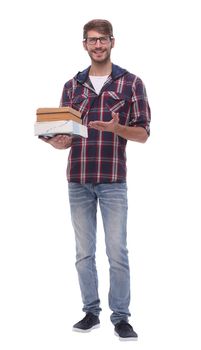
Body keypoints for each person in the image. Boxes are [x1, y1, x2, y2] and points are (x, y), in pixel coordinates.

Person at [40, 19, 151, 341]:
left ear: (112, 42)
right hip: (78, 179)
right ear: (84, 45)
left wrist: (118, 129)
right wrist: (56, 142)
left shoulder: (131, 83)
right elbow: (64, 134)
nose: (98, 45)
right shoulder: (72, 86)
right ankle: (91, 312)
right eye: (92, 40)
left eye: (103, 39)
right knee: (83, 252)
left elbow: (143, 134)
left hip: (113, 179)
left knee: (117, 251)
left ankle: (121, 317)